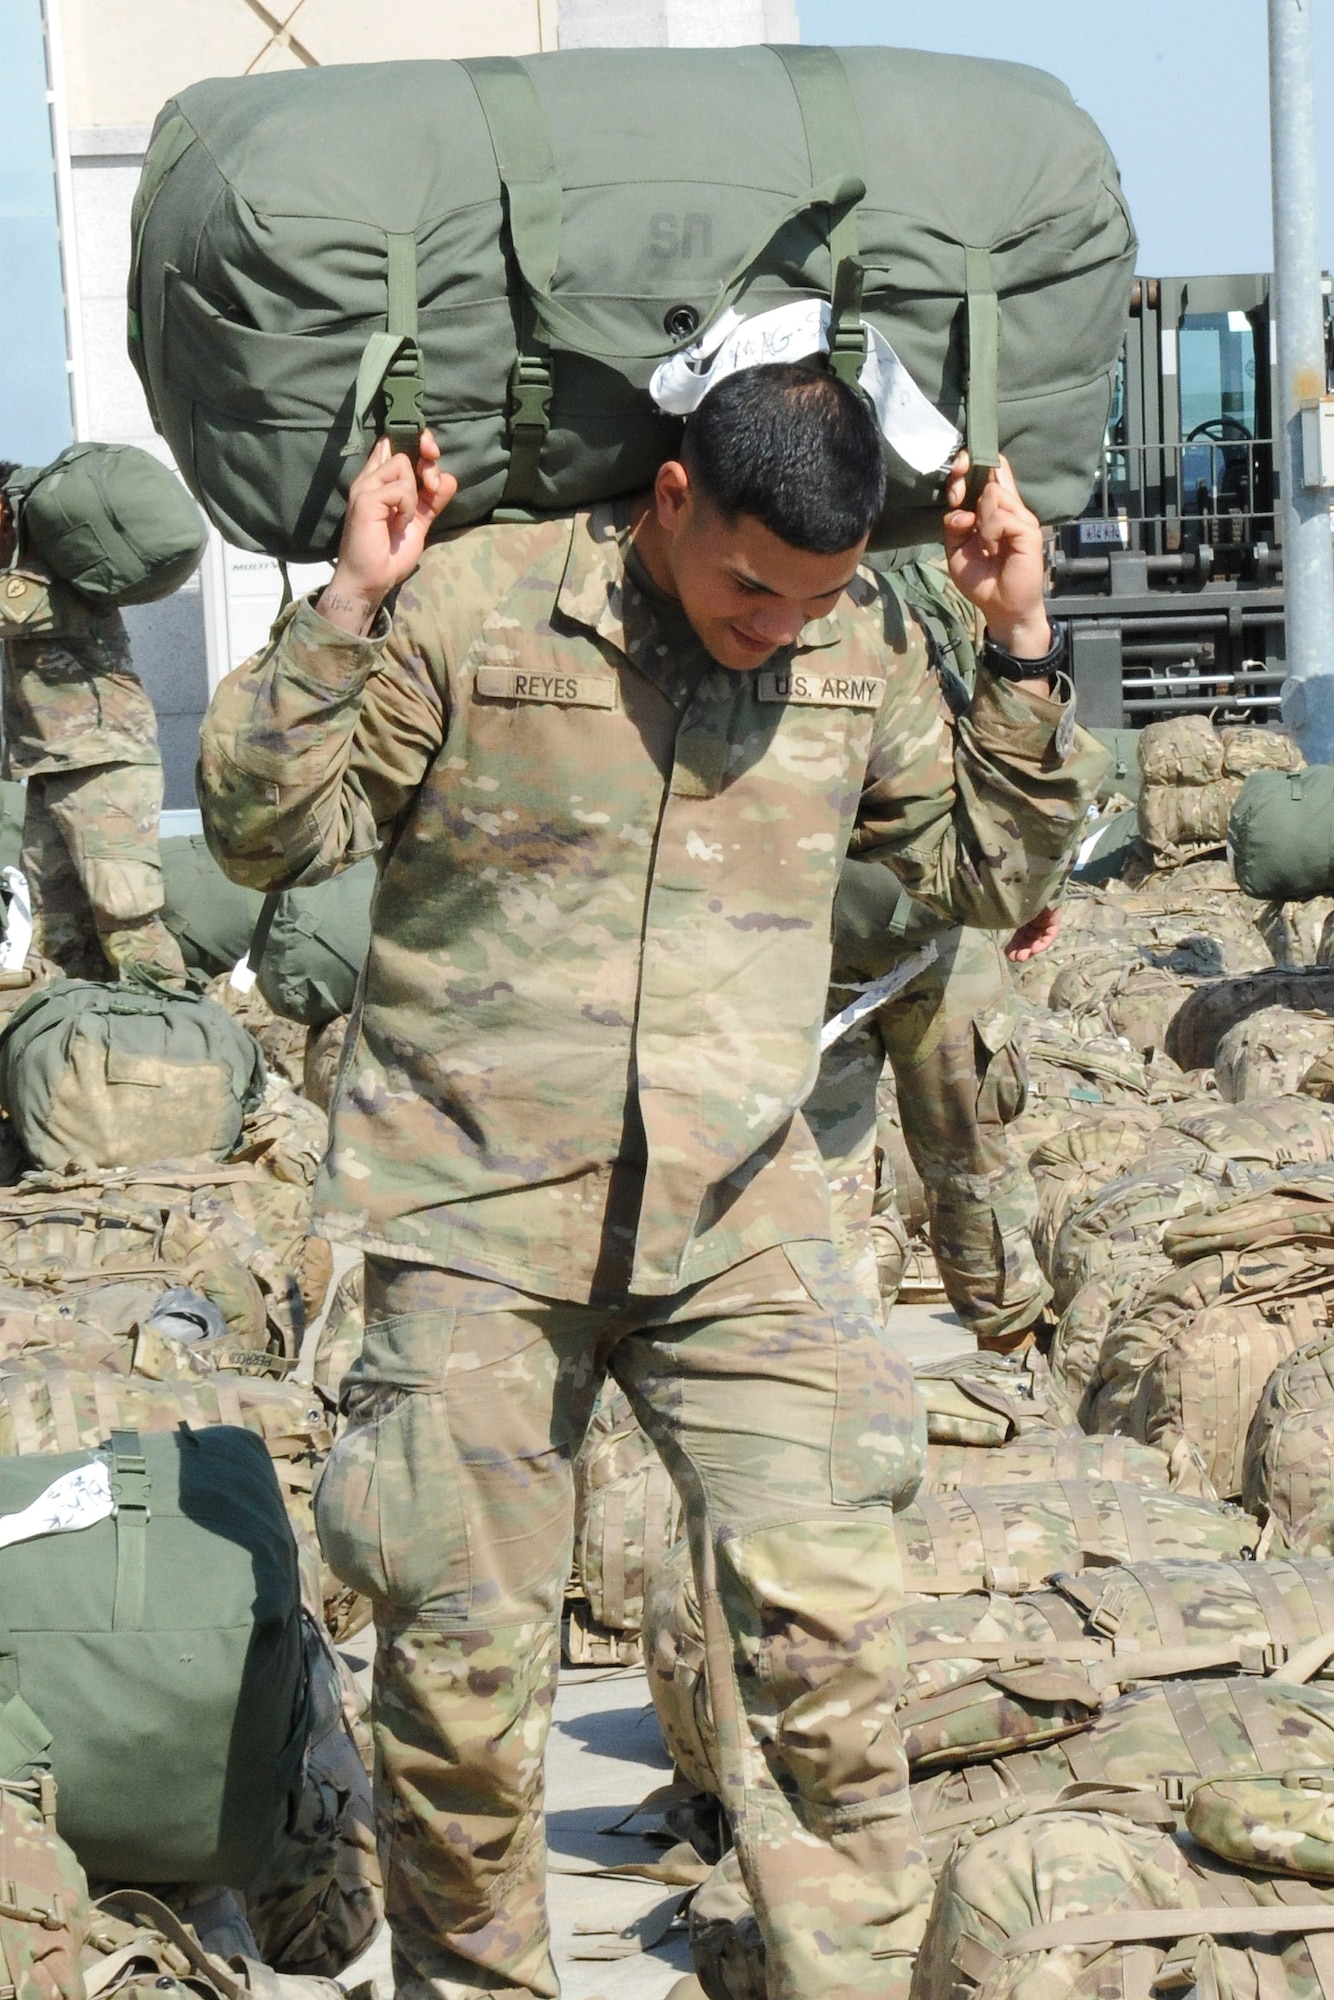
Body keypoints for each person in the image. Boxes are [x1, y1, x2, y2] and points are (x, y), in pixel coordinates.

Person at [198, 361, 1106, 2000]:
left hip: (734, 1214)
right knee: (461, 1710)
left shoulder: (861, 644)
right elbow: (263, 831)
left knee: (833, 1670)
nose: (774, 625)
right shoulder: (475, 607)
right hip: (469, 1215)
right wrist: (347, 595)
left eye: (809, 597)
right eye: (749, 585)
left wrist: (1014, 639)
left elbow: (987, 869)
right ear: (669, 498)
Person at [807, 558, 1063, 1351]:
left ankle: (839, 1373)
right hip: (929, 916)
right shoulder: (944, 572)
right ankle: (1004, 1351)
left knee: (830, 1171)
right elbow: (1003, 739)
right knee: (966, 1157)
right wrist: (1022, 887)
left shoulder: (763, 560)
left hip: (818, 926)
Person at [0, 463, 187, 986]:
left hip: (104, 766)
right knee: (55, 929)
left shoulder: (62, 581)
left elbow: (10, 608)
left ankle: (172, 1041)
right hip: (53, 764)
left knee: (127, 922)